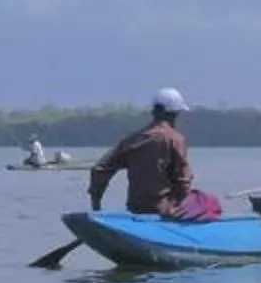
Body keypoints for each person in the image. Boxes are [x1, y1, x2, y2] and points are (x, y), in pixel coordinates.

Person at [88, 87, 221, 221]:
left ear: (154, 112)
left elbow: (100, 169)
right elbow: (183, 180)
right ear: (175, 114)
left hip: (136, 207)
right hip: (165, 208)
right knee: (210, 201)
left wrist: (96, 204)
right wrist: (183, 206)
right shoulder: (175, 139)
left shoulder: (132, 140)